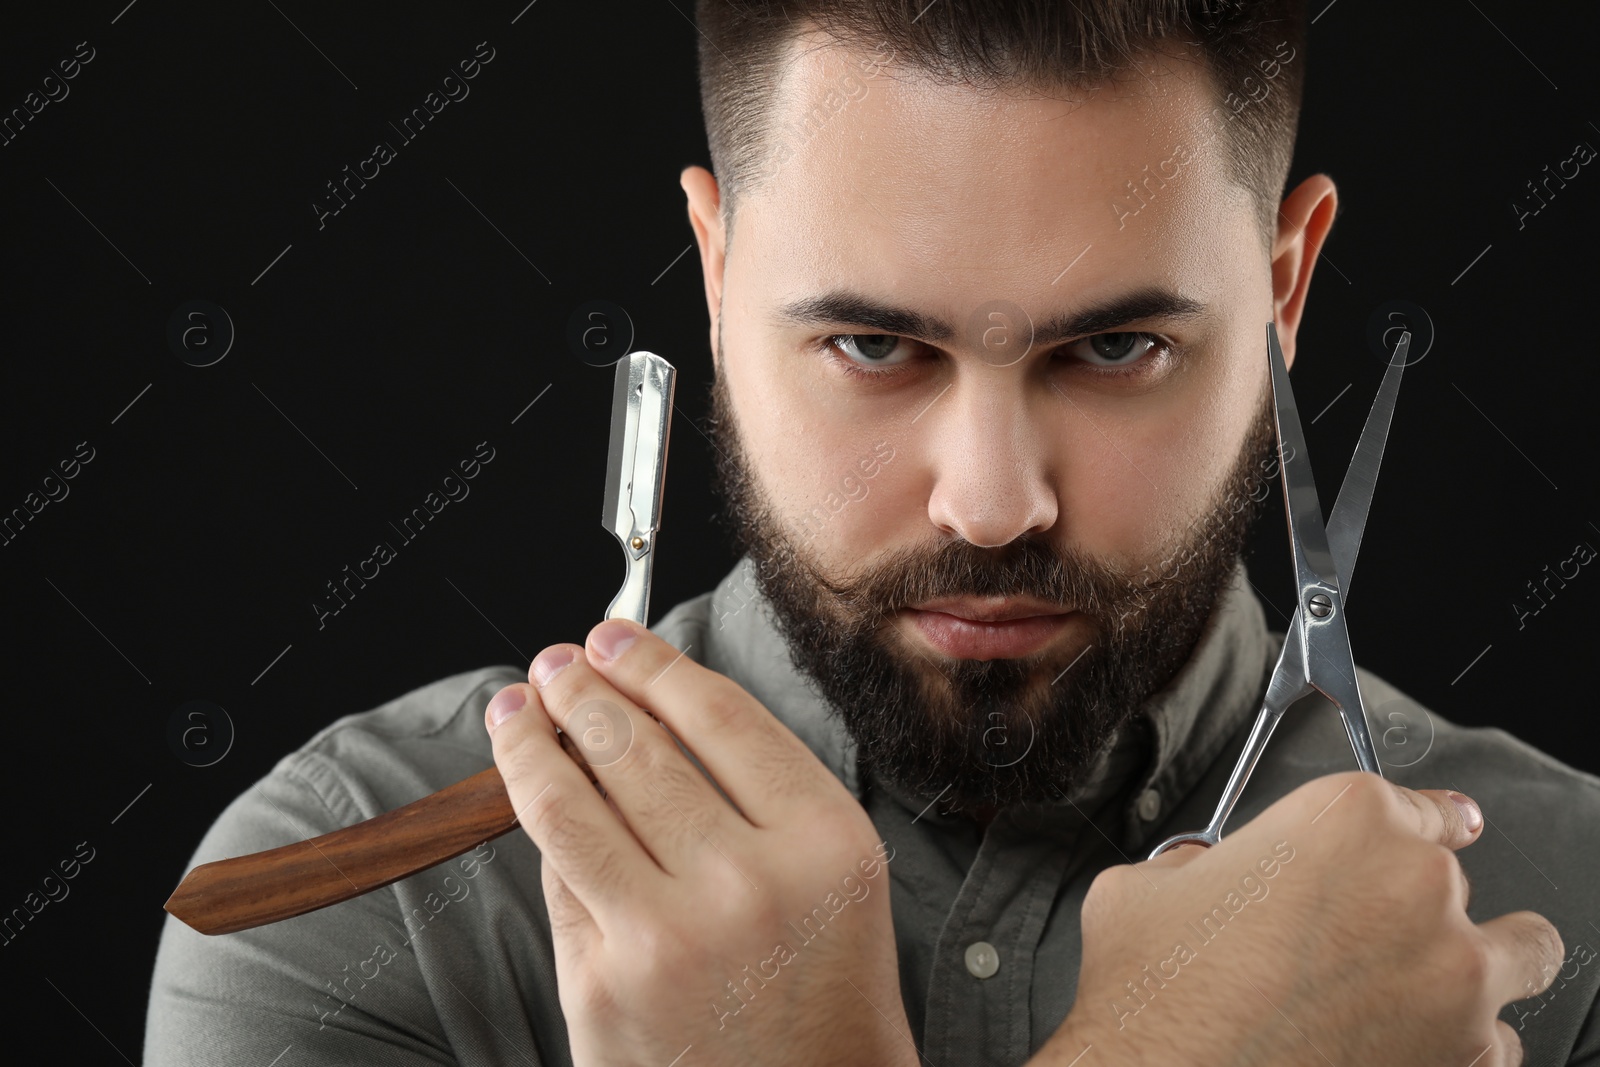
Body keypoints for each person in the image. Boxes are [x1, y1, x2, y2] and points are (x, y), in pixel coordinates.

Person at [145, 2, 1600, 1064]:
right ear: (716, 280)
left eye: (1113, 353)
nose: (990, 501)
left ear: (1283, 295)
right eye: (870, 347)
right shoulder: (355, 904)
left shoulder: (1570, 917)